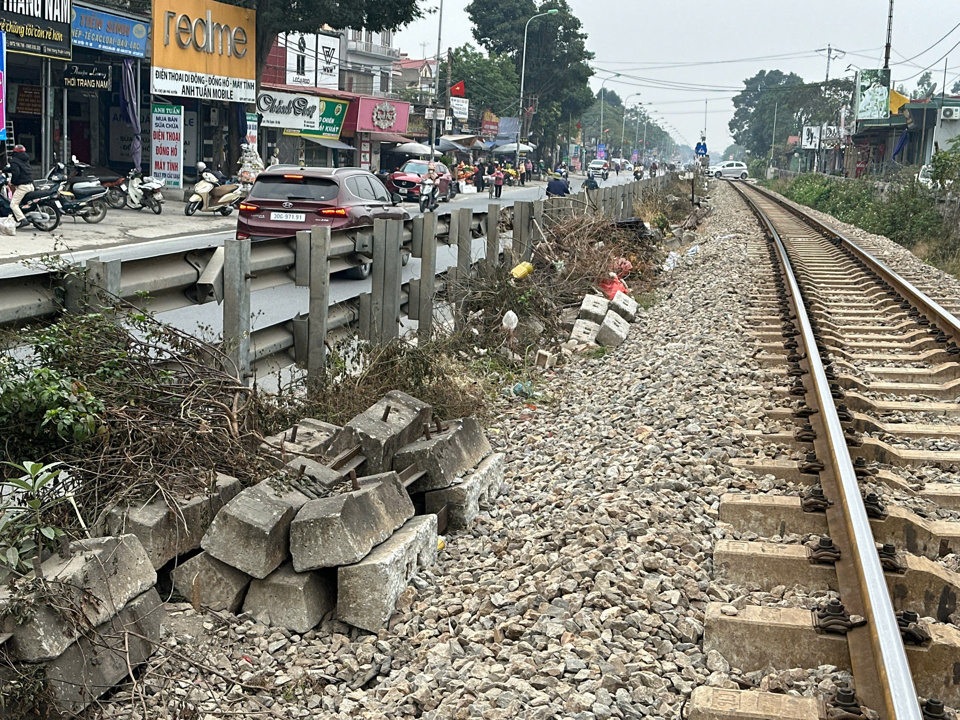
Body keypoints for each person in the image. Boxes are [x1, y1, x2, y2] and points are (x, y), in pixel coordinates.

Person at [6, 145, 34, 228]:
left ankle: (22, 219)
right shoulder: (25, 160)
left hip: (22, 187)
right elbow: (14, 168)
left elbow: (16, 172)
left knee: (13, 204)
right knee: (23, 203)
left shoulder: (14, 160)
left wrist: (13, 182)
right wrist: (3, 170)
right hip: (30, 185)